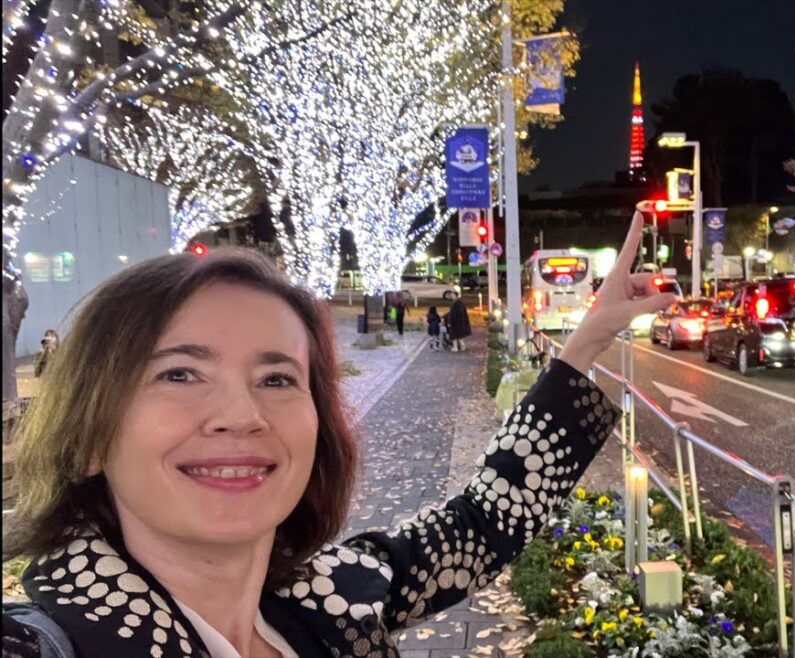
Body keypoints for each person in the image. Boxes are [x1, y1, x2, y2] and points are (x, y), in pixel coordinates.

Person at [1, 214, 675, 658]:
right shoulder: (46, 642)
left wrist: (587, 339)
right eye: (180, 374)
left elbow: (483, 523)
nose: (241, 414)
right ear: (88, 436)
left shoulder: (329, 598)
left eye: (276, 379)